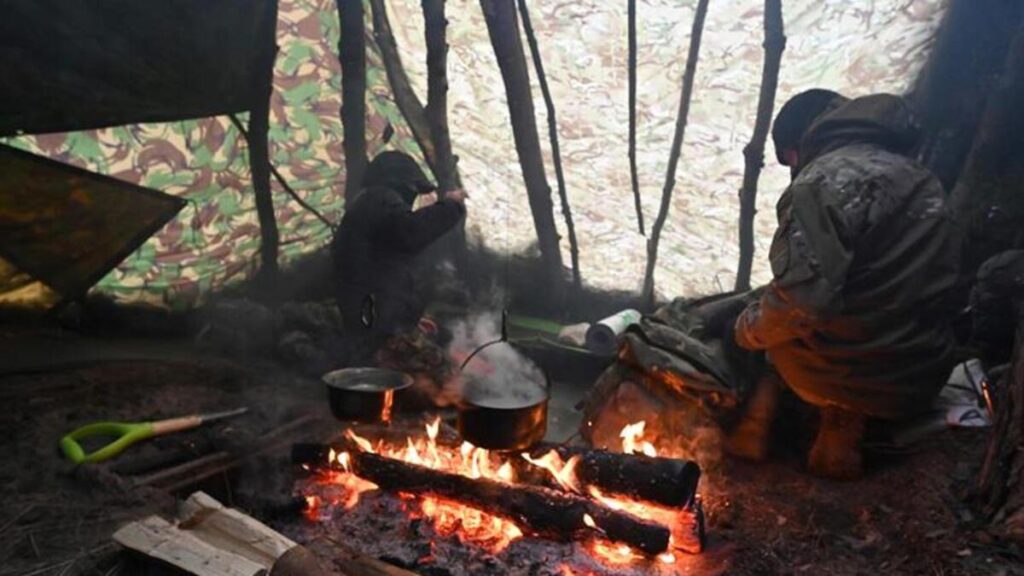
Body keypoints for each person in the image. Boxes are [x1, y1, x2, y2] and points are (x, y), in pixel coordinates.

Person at [729, 90, 961, 479]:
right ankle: (850, 425)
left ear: (799, 145)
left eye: (790, 161)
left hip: (838, 371)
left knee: (761, 326)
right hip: (920, 373)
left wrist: (745, 330)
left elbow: (802, 306)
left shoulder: (820, 182)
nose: (793, 170)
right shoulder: (926, 181)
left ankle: (754, 425)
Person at [332, 151, 466, 392]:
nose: (413, 197)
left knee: (440, 340)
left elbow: (383, 271)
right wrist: (451, 206)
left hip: (373, 323)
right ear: (399, 185)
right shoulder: (381, 198)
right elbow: (410, 232)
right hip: (377, 333)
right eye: (413, 189)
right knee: (446, 378)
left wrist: (408, 320)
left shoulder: (365, 205)